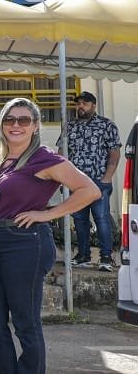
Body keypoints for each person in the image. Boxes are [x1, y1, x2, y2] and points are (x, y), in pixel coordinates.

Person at [0, 98, 98, 374]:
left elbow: (89, 190)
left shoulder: (43, 158)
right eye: (9, 119)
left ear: (35, 126)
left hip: (25, 243)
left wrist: (47, 214)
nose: (16, 125)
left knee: (25, 323)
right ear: (1, 124)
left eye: (24, 120)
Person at [57, 91, 121, 271]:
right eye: (78, 104)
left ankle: (106, 258)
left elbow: (114, 153)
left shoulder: (106, 125)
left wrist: (107, 178)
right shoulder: (69, 127)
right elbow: (61, 153)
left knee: (101, 219)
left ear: (93, 106)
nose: (80, 107)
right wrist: (62, 179)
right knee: (79, 220)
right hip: (75, 183)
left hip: (98, 181)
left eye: (84, 103)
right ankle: (83, 255)